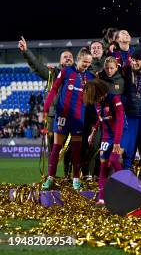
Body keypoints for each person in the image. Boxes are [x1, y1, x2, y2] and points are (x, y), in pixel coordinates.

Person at [42, 48, 95, 191]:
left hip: (78, 118)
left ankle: (76, 179)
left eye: (89, 63)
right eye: (84, 62)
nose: (86, 65)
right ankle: (50, 178)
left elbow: (94, 100)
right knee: (56, 148)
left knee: (77, 150)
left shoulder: (90, 77)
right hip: (62, 117)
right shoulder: (66, 71)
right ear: (78, 59)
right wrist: (46, 107)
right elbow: (54, 88)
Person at [84, 78, 124, 205]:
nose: (94, 101)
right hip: (106, 137)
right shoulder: (98, 103)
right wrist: (93, 132)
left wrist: (117, 142)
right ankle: (101, 199)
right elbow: (101, 119)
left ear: (99, 92)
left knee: (113, 160)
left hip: (119, 134)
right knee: (103, 168)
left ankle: (127, 186)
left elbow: (120, 121)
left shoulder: (114, 99)